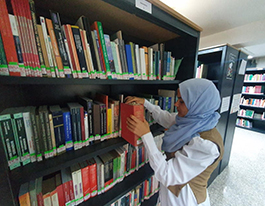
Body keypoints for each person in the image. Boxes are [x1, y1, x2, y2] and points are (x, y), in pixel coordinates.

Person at [125, 78, 224, 206]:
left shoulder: (207, 146)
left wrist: (146, 135)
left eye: (182, 101)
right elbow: (166, 118)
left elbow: (167, 174)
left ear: (198, 105)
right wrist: (145, 103)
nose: (176, 104)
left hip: (185, 200)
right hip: (170, 196)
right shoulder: (192, 120)